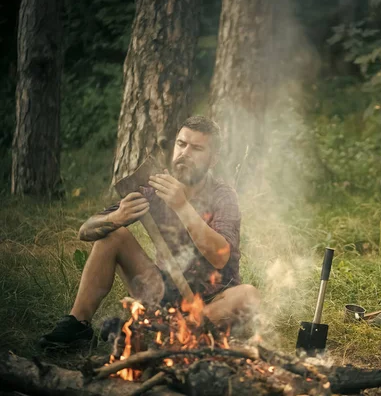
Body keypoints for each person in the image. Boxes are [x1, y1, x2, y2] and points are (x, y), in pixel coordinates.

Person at [39, 116, 260, 348]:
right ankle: (78, 326)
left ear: (213, 159)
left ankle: (160, 333)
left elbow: (220, 255)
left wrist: (182, 207)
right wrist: (117, 217)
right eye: (181, 144)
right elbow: (85, 231)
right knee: (114, 235)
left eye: (196, 148)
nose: (185, 153)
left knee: (248, 295)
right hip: (164, 292)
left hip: (213, 302)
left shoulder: (223, 196)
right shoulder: (155, 186)